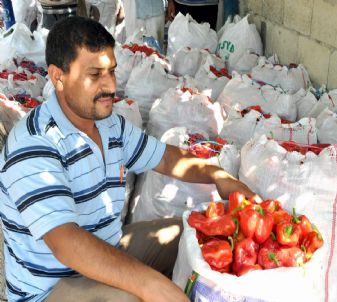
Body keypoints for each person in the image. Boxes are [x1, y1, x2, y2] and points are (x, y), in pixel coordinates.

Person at [0, 16, 259, 302]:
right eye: (94, 75)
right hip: (51, 288)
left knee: (195, 232)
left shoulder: (109, 124)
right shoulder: (34, 144)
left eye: (111, 71)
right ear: (58, 77)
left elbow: (165, 158)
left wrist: (217, 176)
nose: (110, 86)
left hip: (107, 247)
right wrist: (150, 285)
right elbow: (67, 243)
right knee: (130, 298)